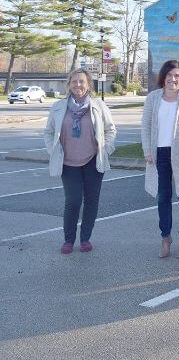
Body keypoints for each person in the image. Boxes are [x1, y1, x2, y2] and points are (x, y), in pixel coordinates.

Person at [44, 68, 116, 254]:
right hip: (68, 163)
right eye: (74, 81)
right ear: (69, 84)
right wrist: (53, 150)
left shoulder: (98, 106)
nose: (78, 85)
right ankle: (69, 240)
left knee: (91, 201)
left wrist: (105, 149)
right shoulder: (59, 107)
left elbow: (110, 130)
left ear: (89, 84)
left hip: (93, 161)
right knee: (73, 201)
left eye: (82, 81)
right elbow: (49, 132)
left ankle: (85, 239)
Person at [141, 60, 179, 259]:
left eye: (177, 76)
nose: (173, 79)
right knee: (163, 198)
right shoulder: (153, 98)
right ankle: (165, 238)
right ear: (163, 77)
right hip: (159, 155)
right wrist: (147, 151)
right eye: (169, 75)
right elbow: (146, 127)